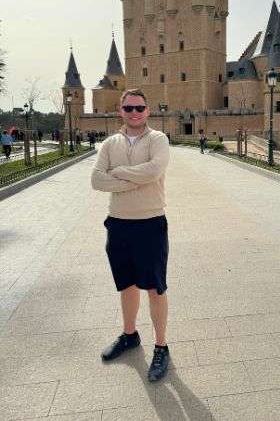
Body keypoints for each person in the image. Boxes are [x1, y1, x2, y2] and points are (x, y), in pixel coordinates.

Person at [90, 89, 171, 382]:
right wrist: (133, 181)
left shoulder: (158, 140)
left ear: (147, 110)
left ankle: (161, 346)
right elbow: (97, 179)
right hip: (119, 224)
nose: (134, 112)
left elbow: (155, 170)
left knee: (155, 288)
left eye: (139, 107)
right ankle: (129, 335)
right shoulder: (109, 143)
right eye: (128, 108)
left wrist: (120, 173)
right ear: (121, 111)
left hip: (150, 223)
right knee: (126, 285)